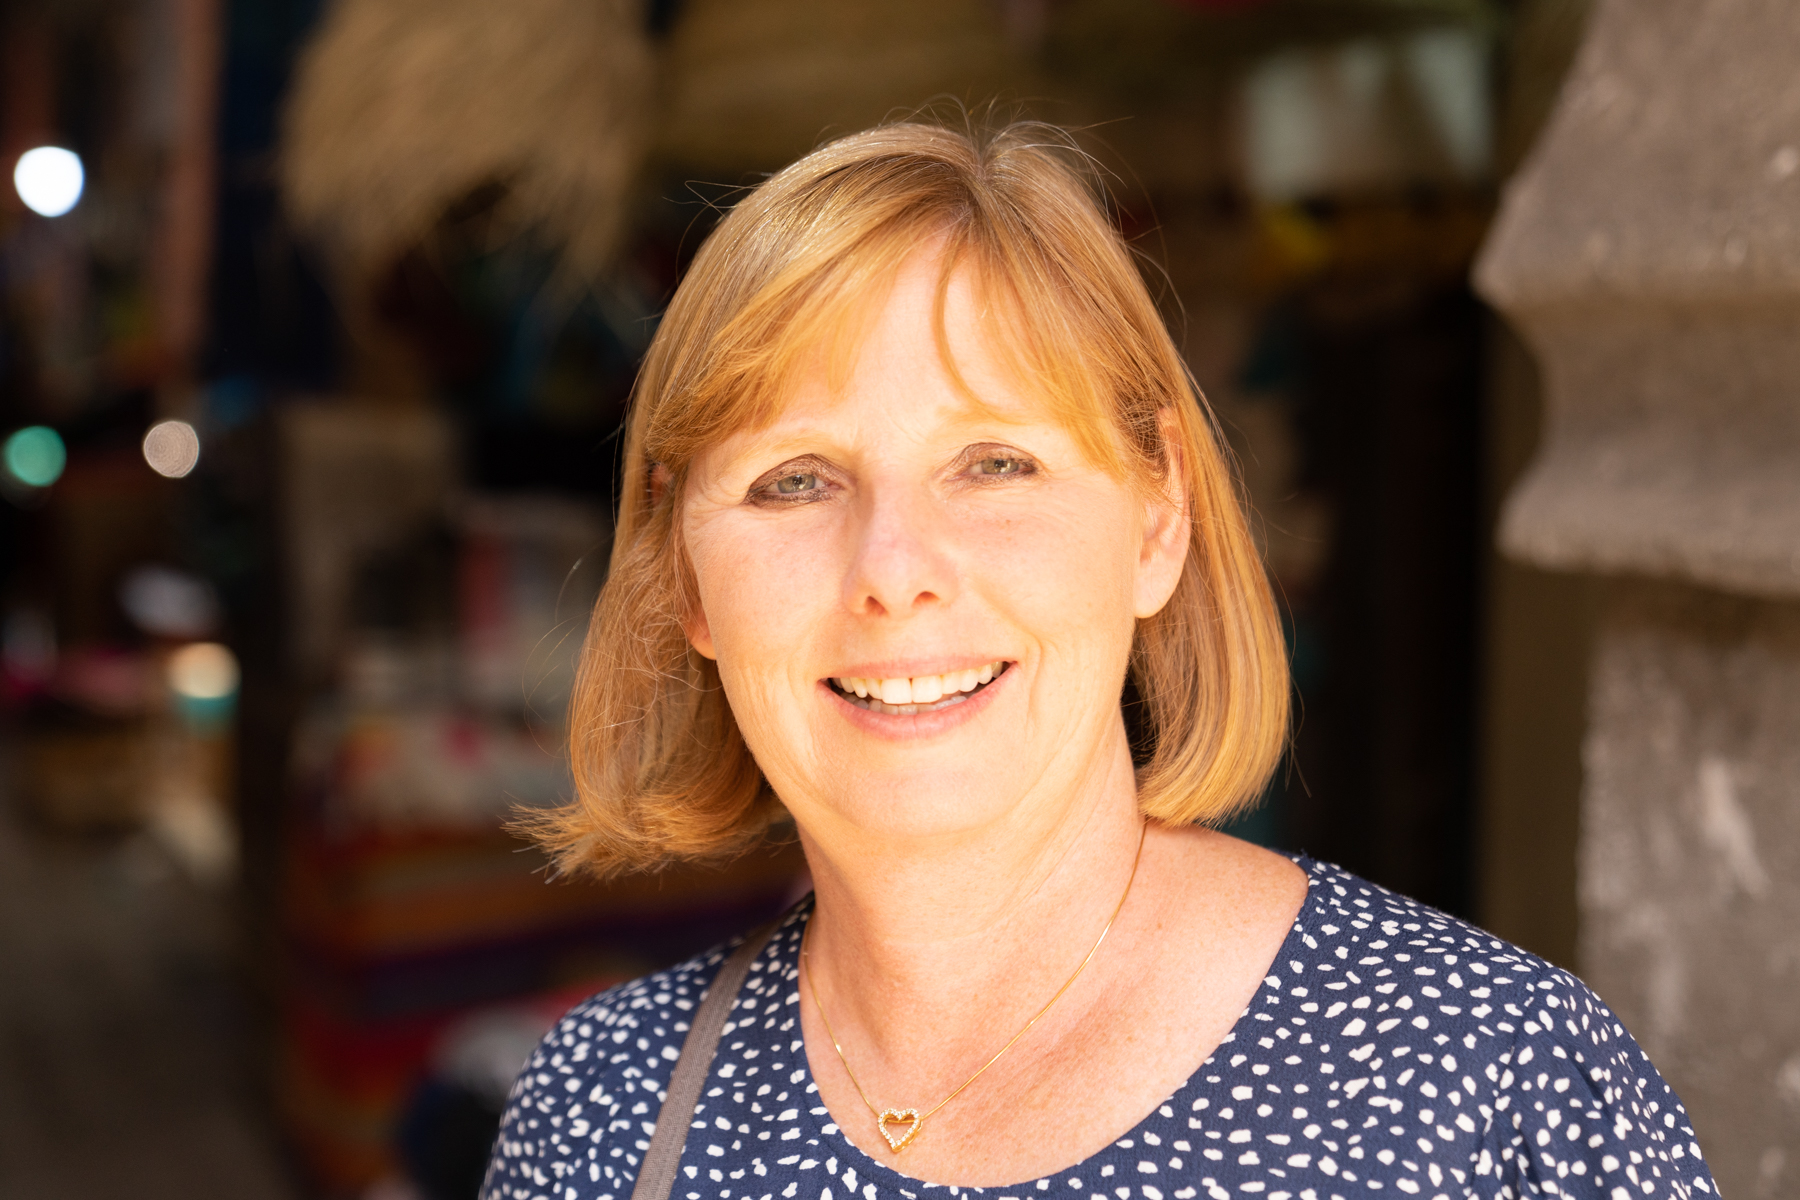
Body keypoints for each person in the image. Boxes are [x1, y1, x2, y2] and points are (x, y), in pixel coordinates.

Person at [481, 120, 1714, 1200]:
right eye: (794, 480)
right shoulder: (604, 1118)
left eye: (995, 464)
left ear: (1157, 517)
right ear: (684, 574)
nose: (893, 570)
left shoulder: (1484, 1087)